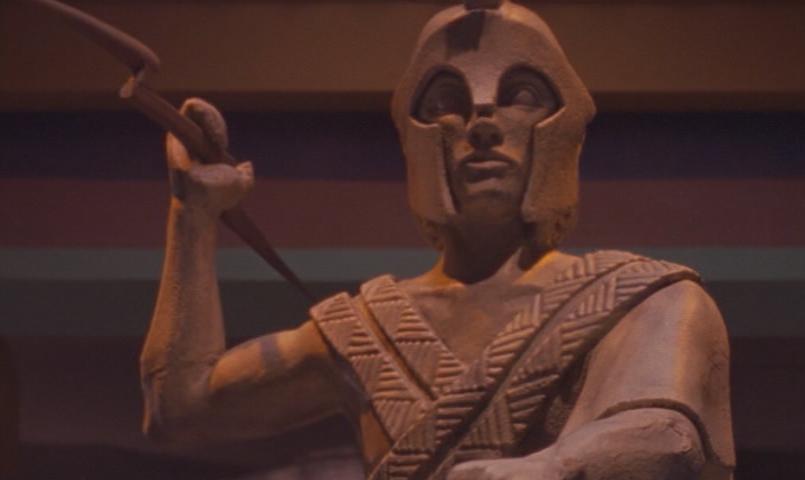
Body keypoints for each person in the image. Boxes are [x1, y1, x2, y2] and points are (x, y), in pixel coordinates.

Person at [140, 1, 735, 479]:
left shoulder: (645, 301)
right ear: (416, 138)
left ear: (561, 128)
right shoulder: (367, 330)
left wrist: (553, 466)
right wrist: (192, 216)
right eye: (446, 101)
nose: (481, 122)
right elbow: (180, 410)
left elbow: (664, 436)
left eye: (521, 96)